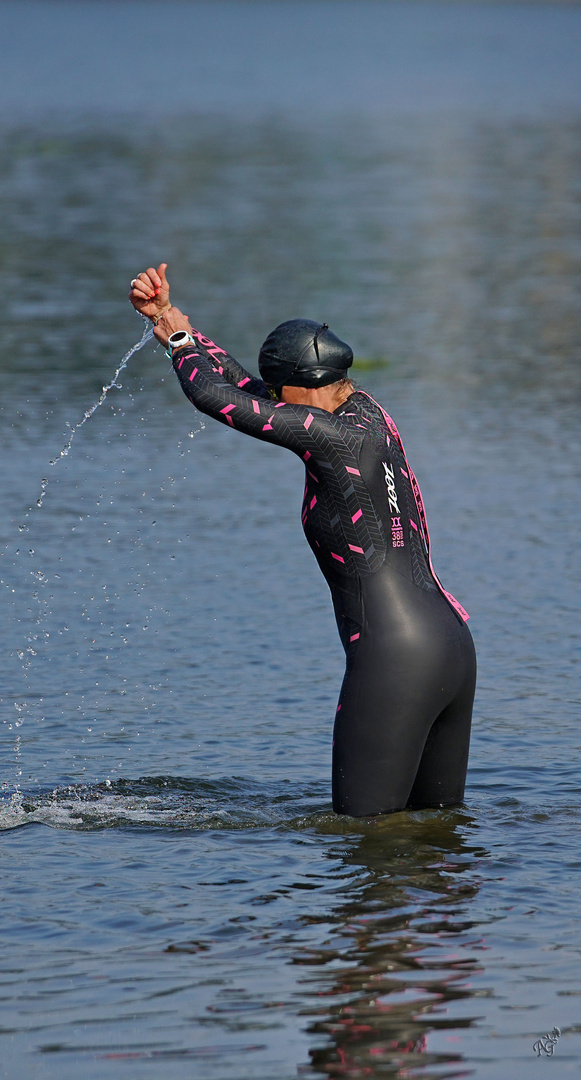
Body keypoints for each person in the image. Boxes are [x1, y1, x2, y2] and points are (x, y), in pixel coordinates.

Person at [129, 263, 476, 817]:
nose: (271, 398)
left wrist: (177, 343)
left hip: (394, 660)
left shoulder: (329, 436)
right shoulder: (365, 413)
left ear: (301, 389)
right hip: (451, 646)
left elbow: (215, 398)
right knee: (437, 840)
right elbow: (244, 388)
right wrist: (176, 323)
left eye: (278, 391)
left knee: (363, 841)